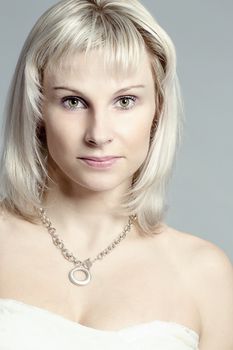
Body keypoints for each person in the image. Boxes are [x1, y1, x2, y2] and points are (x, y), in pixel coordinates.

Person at [0, 0, 232, 349]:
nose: (99, 133)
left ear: (158, 110)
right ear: (37, 109)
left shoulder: (205, 274)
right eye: (73, 101)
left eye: (124, 101)